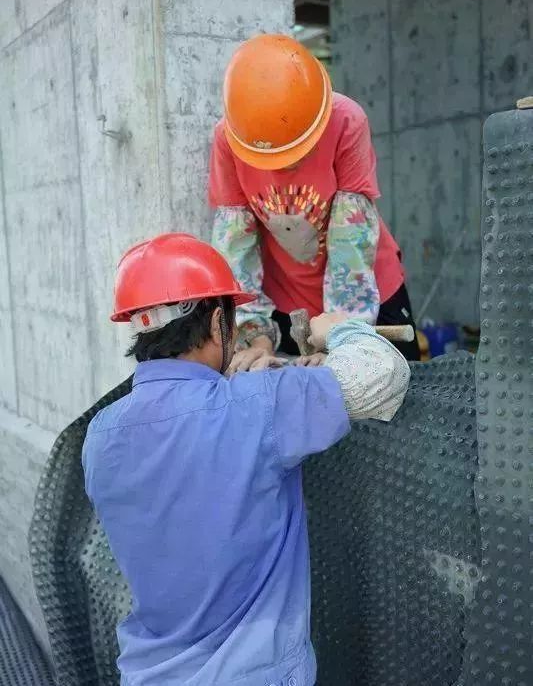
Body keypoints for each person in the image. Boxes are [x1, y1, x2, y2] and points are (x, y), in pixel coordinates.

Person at [82, 232, 410, 686]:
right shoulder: (256, 408)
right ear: (218, 323)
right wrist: (338, 329)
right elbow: (383, 374)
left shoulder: (100, 436)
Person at [209, 33, 421, 373]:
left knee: (398, 399)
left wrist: (341, 335)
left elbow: (351, 240)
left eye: (297, 153)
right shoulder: (229, 140)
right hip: (289, 301)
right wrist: (256, 337)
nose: (285, 168)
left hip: (366, 289)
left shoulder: (346, 121)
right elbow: (235, 248)